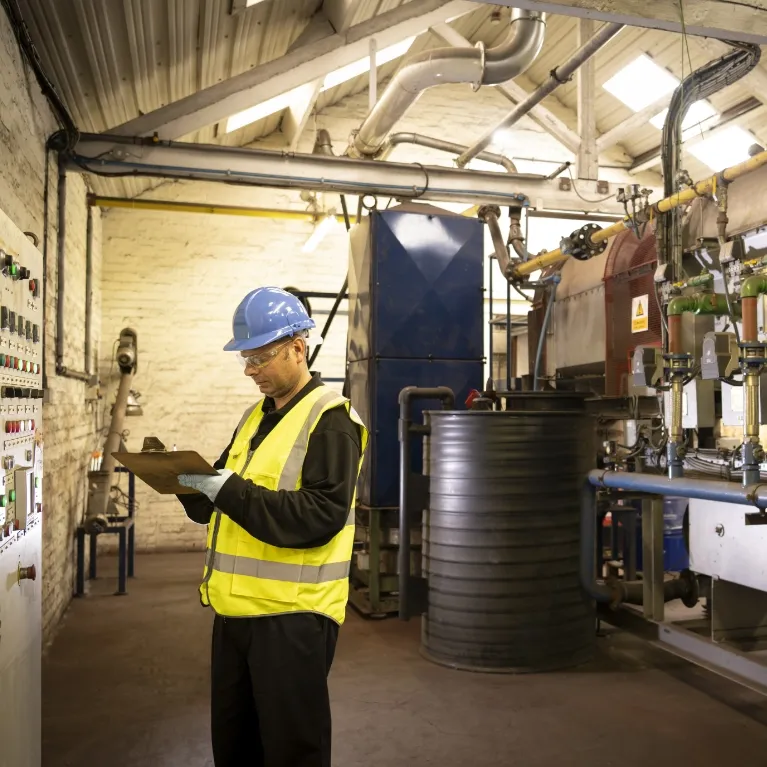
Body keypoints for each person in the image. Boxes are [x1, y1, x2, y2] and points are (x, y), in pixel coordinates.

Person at [176, 286, 367, 767]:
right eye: (246, 358)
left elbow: (319, 517)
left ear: (298, 348)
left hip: (292, 619)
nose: (250, 371)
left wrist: (223, 488)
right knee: (236, 744)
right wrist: (183, 482)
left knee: (289, 750)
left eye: (259, 358)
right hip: (235, 613)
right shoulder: (255, 418)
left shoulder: (331, 419)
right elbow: (220, 499)